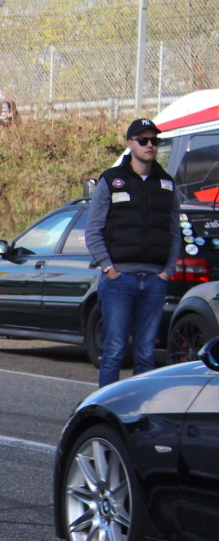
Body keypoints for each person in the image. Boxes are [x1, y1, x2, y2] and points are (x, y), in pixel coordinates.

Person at [85, 118, 183, 388]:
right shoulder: (111, 180)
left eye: (154, 140)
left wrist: (167, 271)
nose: (150, 145)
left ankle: (140, 414)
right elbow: (93, 231)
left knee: (145, 354)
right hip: (120, 279)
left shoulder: (166, 183)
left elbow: (175, 231)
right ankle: (106, 412)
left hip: (154, 280)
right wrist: (109, 269)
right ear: (130, 144)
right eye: (143, 140)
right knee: (115, 351)